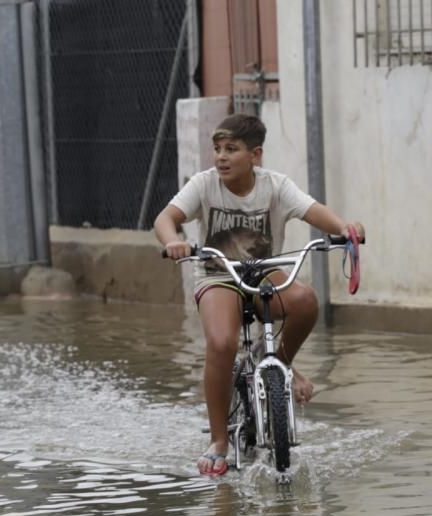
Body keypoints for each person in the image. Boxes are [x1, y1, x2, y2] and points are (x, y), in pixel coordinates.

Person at [153, 113, 365, 477]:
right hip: (219, 274)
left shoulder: (275, 186)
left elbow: (315, 213)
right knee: (221, 343)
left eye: (231, 149)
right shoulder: (204, 184)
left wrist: (346, 228)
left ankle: (281, 364)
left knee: (305, 302)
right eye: (217, 149)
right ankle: (219, 441)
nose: (221, 157)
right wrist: (173, 240)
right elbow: (165, 218)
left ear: (256, 155)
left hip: (263, 272)